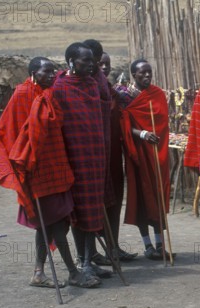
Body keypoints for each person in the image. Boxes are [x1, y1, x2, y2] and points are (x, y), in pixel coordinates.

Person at [0, 57, 100, 288]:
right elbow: (9, 133)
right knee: (54, 223)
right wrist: (24, 164)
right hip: (36, 173)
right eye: (47, 71)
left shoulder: (49, 94)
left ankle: (38, 273)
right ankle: (73, 272)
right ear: (33, 73)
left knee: (52, 223)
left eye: (54, 71)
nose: (53, 75)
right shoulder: (23, 95)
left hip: (57, 170)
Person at [55, 42, 111, 282]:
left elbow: (106, 102)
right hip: (75, 159)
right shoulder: (60, 88)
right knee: (80, 211)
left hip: (95, 159)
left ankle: (90, 259)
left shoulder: (91, 84)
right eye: (85, 61)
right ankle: (82, 262)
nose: (91, 65)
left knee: (94, 208)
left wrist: (96, 71)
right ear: (70, 62)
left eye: (92, 61)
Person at [120, 59, 172, 260]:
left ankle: (160, 244)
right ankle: (148, 245)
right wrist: (141, 134)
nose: (147, 76)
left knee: (158, 195)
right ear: (134, 75)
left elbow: (163, 123)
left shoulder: (157, 94)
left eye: (149, 72)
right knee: (142, 196)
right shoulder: (125, 96)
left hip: (158, 153)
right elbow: (122, 126)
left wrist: (155, 136)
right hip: (138, 153)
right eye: (142, 73)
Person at [98, 51, 137, 261]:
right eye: (101, 64)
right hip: (96, 158)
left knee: (114, 203)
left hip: (114, 157)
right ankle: (93, 253)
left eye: (108, 64)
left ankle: (113, 247)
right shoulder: (92, 90)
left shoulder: (112, 91)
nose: (105, 68)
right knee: (98, 204)